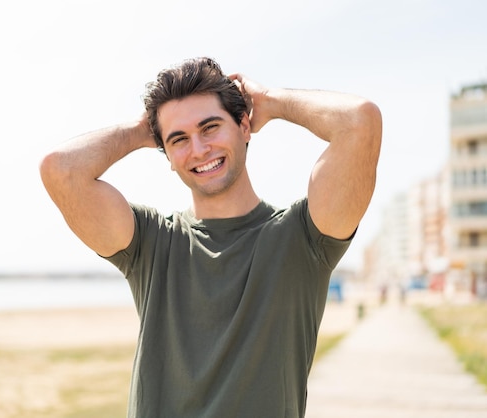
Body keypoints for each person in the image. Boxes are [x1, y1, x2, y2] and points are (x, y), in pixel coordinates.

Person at [39, 57, 382, 417]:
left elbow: (360, 122)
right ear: (167, 155)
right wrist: (143, 130)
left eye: (210, 127)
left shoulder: (304, 239)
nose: (199, 149)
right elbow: (61, 170)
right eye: (179, 139)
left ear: (244, 126)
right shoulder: (151, 244)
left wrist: (272, 100)